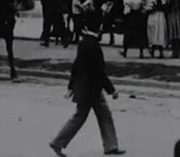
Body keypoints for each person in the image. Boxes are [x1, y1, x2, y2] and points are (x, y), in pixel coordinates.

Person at [50, 15, 126, 157]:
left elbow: (76, 66)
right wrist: (112, 90)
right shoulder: (93, 45)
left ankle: (111, 146)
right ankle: (57, 142)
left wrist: (71, 86)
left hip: (87, 88)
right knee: (82, 117)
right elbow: (99, 72)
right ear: (98, 29)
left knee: (102, 115)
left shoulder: (84, 42)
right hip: (91, 89)